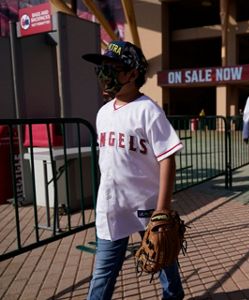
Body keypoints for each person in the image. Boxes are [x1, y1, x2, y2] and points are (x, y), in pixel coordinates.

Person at [82, 41, 185, 300]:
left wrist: (162, 210)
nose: (105, 73)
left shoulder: (148, 111)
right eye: (103, 67)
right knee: (103, 272)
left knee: (161, 255)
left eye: (113, 67)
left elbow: (167, 158)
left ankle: (174, 295)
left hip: (146, 204)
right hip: (111, 205)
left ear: (132, 73)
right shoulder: (103, 112)